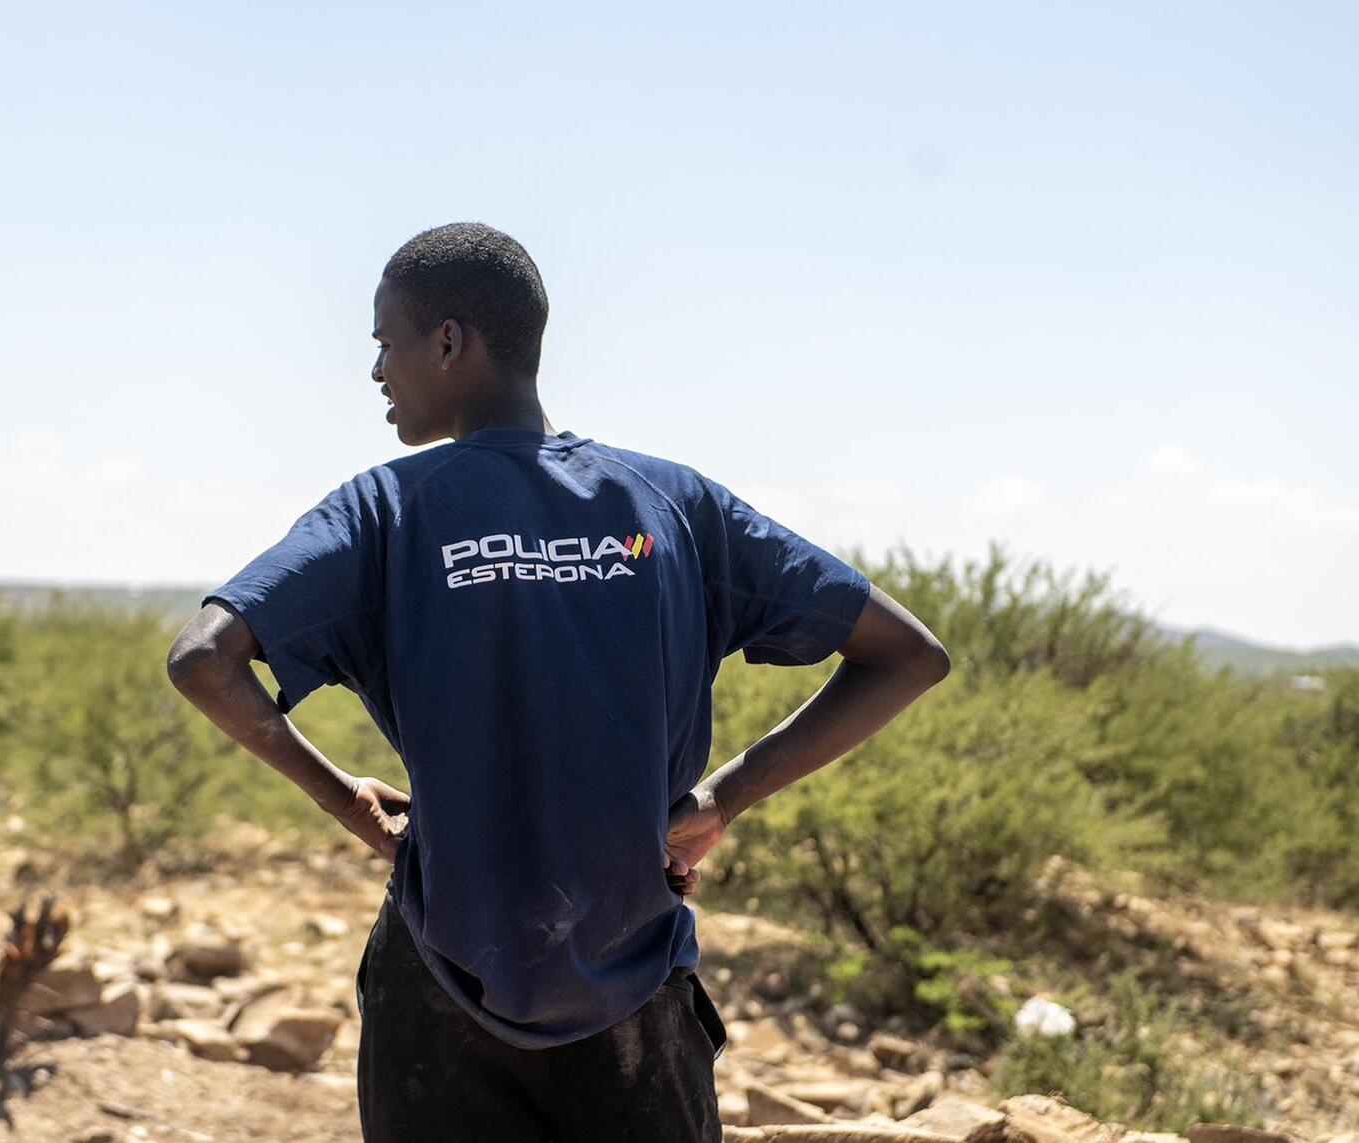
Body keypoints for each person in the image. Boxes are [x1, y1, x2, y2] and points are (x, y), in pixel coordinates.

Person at [166, 222, 951, 1143]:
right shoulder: (671, 503)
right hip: (635, 980)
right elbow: (909, 653)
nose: (377, 371)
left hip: (441, 976)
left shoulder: (385, 509)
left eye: (386, 343)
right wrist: (722, 799)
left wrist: (348, 802)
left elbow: (203, 659)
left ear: (450, 342)